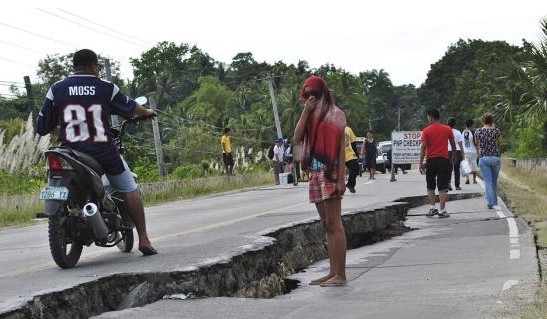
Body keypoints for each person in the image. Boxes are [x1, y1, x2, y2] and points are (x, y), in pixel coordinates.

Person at [35, 49, 157, 256]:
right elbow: (131, 106)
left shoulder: (56, 89)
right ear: (93, 65)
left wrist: (64, 132)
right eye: (98, 66)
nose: (99, 70)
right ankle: (144, 239)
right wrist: (148, 112)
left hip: (69, 151)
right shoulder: (105, 87)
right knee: (129, 187)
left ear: (75, 66)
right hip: (102, 151)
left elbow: (42, 126)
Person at [294, 75, 347, 287]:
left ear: (323, 92)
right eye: (307, 95)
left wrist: (341, 178)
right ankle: (332, 272)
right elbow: (297, 137)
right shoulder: (309, 115)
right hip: (314, 174)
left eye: (313, 94)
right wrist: (306, 111)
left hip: (330, 172)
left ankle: (340, 275)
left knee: (335, 223)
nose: (310, 97)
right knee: (326, 225)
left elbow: (341, 149)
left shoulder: (336, 115)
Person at [419, 109, 457, 218]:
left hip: (431, 160)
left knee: (430, 186)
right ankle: (442, 210)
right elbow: (453, 144)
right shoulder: (447, 129)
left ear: (431, 117)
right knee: (443, 186)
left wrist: (421, 162)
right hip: (443, 160)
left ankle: (432, 208)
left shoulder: (426, 130)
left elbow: (423, 147)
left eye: (427, 117)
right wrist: (454, 156)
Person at [475, 113, 501, 209]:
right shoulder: (496, 131)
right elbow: (498, 143)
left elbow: (477, 144)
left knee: (488, 181)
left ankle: (491, 203)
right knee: (494, 181)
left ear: (483, 121)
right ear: (492, 121)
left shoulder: (478, 132)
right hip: (495, 157)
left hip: (484, 158)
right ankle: (495, 201)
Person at [446, 117, 465, 190]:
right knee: (457, 170)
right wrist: (463, 153)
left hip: (447, 152)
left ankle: (448, 184)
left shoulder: (445, 131)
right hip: (457, 151)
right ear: (454, 124)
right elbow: (460, 144)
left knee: (448, 169)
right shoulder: (457, 132)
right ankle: (457, 186)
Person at [462, 119, 478, 184]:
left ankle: (467, 179)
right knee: (474, 165)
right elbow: (475, 143)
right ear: (472, 125)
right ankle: (474, 180)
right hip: (473, 151)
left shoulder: (462, 132)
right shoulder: (473, 132)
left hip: (465, 151)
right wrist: (478, 151)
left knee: (466, 165)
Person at [344, 126, 360, 193]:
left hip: (348, 153)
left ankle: (350, 184)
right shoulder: (331, 128)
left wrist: (356, 154)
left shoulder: (348, 129)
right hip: (337, 154)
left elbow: (353, 143)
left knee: (356, 168)